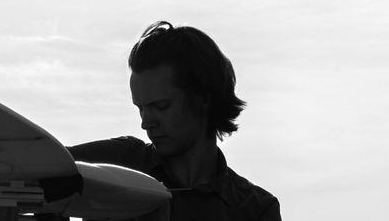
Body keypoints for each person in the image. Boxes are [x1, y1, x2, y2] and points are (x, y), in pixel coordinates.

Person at [68, 21, 281, 220]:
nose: (146, 123)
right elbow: (41, 160)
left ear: (203, 98)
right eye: (140, 108)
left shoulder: (256, 210)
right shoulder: (119, 160)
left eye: (161, 107)